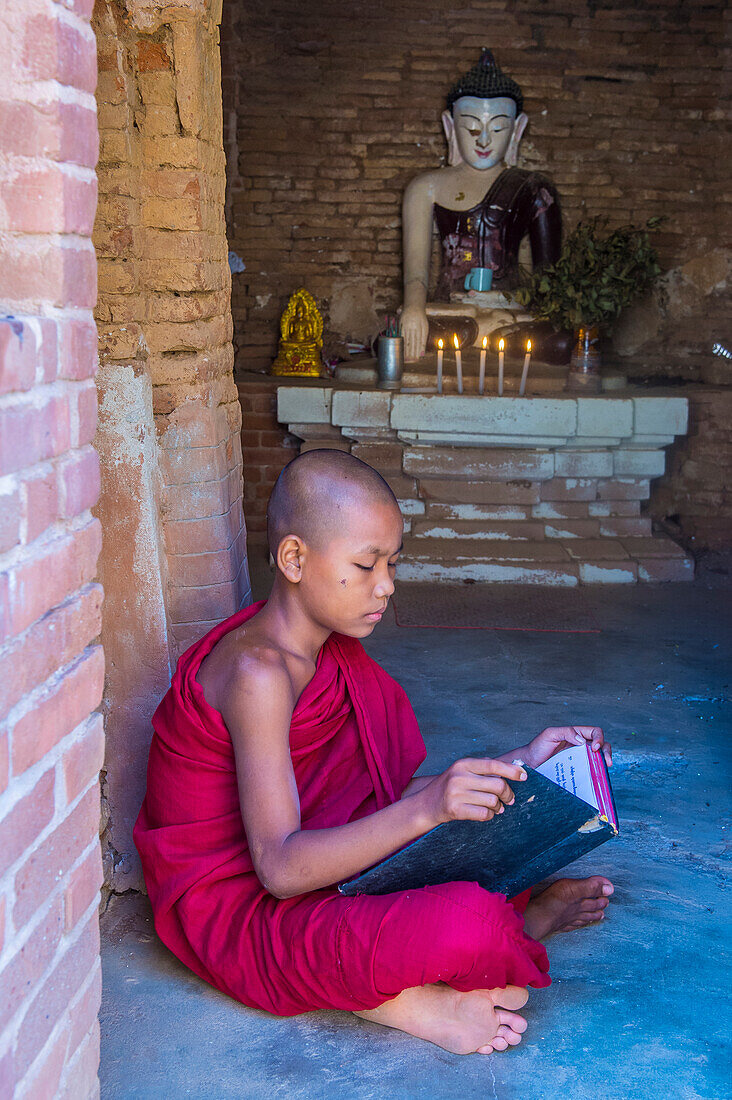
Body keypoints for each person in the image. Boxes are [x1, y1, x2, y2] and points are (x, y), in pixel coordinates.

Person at [134, 450, 613, 1056]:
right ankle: (412, 998)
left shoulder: (328, 651)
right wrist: (430, 809)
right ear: (294, 558)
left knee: (488, 837)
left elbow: (373, 799)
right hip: (241, 912)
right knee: (469, 921)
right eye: (365, 565)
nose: (385, 585)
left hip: (324, 864)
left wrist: (520, 764)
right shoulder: (258, 673)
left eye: (391, 563)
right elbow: (280, 870)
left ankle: (463, 953)